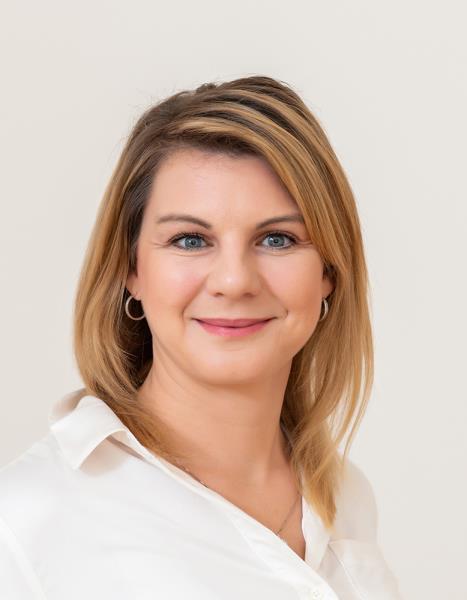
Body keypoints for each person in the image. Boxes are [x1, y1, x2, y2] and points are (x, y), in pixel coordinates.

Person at [0, 75, 404, 599]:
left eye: (277, 239)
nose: (234, 281)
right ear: (131, 269)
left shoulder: (346, 496)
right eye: (190, 240)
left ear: (329, 271)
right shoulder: (27, 522)